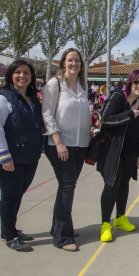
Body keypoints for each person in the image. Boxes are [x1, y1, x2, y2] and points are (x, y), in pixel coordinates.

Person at [42, 48, 90, 252]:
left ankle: (58, 227)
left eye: (77, 60)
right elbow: (47, 115)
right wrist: (58, 141)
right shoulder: (54, 85)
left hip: (80, 144)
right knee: (67, 186)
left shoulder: (82, 85)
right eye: (70, 60)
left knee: (66, 186)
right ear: (63, 63)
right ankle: (62, 237)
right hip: (60, 144)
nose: (74, 64)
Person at [98, 70, 139, 242]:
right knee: (111, 185)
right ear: (129, 83)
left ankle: (120, 218)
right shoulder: (118, 97)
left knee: (124, 184)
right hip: (112, 150)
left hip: (130, 152)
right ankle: (105, 224)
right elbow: (105, 120)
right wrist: (129, 114)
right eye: (136, 82)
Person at [0, 60, 43, 252]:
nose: (22, 76)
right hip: (12, 158)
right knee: (10, 197)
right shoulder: (4, 98)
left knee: (17, 194)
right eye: (18, 72)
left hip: (30, 155)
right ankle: (10, 236)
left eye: (26, 73)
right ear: (10, 75)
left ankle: (8, 229)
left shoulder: (32, 98)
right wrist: (4, 156)